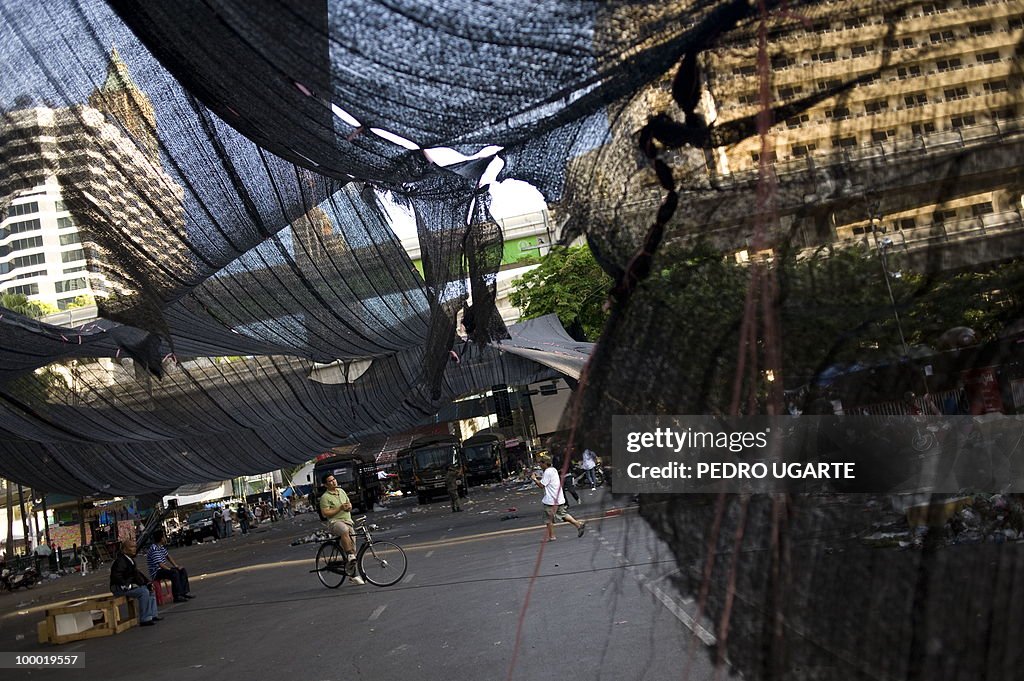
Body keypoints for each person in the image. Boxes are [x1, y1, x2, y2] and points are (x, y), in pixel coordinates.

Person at [319, 473, 364, 585]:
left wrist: (349, 507)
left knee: (354, 550)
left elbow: (349, 504)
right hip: (334, 523)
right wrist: (340, 508)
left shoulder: (341, 491)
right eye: (330, 481)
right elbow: (325, 514)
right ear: (325, 484)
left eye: (334, 479)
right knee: (344, 530)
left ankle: (352, 575)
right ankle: (349, 554)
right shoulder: (325, 497)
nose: (333, 482)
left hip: (348, 521)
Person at [531, 454, 586, 541]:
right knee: (563, 514)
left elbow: (542, 485)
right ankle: (578, 524)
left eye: (540, 463)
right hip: (559, 498)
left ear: (545, 463)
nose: (540, 465)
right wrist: (539, 477)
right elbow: (548, 479)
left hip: (551, 500)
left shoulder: (547, 472)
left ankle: (552, 536)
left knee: (548, 519)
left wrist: (534, 479)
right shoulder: (553, 470)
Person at [110, 539, 160, 626]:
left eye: (135, 547)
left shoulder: (129, 560)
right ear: (124, 549)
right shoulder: (121, 561)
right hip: (119, 587)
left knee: (150, 589)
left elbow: (137, 574)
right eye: (132, 547)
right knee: (143, 592)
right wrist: (126, 585)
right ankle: (145, 619)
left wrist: (147, 583)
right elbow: (116, 576)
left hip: (127, 586)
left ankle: (153, 615)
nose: (134, 549)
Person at [146, 529, 195, 603]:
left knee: (182, 570)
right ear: (161, 538)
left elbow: (168, 556)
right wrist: (170, 569)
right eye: (164, 537)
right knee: (174, 573)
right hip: (156, 572)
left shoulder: (161, 547)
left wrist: (176, 566)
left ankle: (184, 592)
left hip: (162, 569)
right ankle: (177, 596)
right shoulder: (154, 549)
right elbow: (160, 564)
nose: (165, 538)